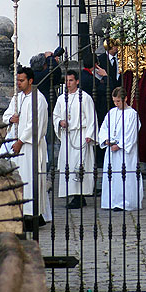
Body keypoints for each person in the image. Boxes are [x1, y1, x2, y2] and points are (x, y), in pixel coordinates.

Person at [1, 66, 52, 226]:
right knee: (19, 178)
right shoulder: (17, 98)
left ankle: (33, 215)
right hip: (17, 145)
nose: (19, 83)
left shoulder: (39, 99)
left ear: (30, 80)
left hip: (31, 146)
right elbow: (6, 115)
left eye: (21, 80)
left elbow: (35, 125)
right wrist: (11, 119)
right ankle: (21, 212)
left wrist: (21, 141)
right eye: (17, 80)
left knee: (31, 179)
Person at [53, 69, 98, 209]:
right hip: (68, 135)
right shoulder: (61, 98)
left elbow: (92, 118)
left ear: (77, 81)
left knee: (79, 165)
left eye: (71, 80)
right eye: (66, 81)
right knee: (68, 165)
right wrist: (60, 122)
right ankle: (73, 194)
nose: (68, 83)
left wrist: (89, 135)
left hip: (81, 134)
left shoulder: (85, 97)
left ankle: (80, 196)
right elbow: (55, 115)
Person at [98, 86, 143, 211]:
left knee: (125, 176)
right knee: (112, 176)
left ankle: (125, 202)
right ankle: (111, 201)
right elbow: (104, 128)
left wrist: (120, 145)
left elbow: (131, 133)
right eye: (115, 101)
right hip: (111, 150)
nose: (116, 104)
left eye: (118, 101)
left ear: (125, 99)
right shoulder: (111, 113)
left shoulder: (132, 114)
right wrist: (106, 139)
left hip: (124, 152)